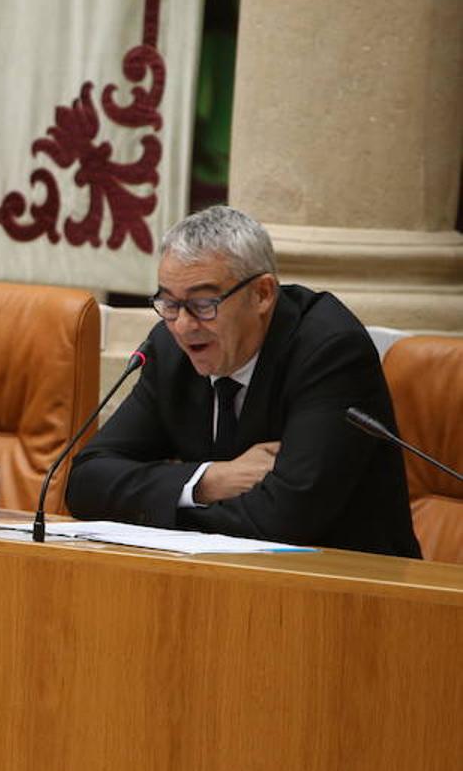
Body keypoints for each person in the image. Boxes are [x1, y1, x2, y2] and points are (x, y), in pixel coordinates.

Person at [65, 206, 420, 557]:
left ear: (262, 294)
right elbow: (85, 481)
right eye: (169, 303)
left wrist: (156, 511)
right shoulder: (169, 350)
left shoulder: (329, 351)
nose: (183, 325)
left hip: (353, 591)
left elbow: (285, 520)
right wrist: (207, 481)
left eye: (203, 304)